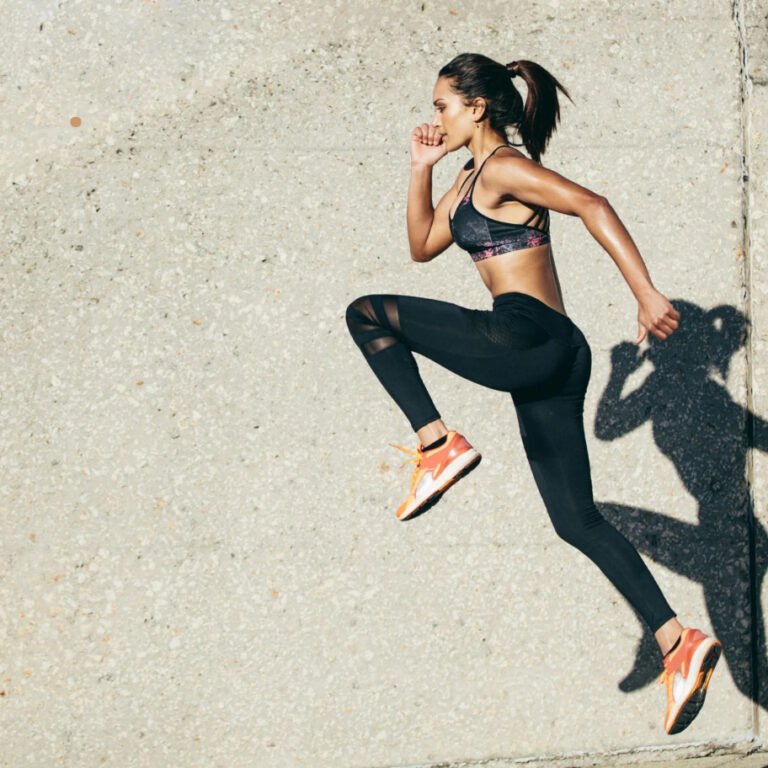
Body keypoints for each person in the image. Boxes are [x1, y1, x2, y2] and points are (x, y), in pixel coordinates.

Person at [345, 52, 721, 735]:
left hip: (531, 335)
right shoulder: (465, 181)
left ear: (477, 107)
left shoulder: (507, 168)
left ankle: (437, 443)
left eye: (443, 107)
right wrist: (420, 169)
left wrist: (644, 292)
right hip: (550, 357)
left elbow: (591, 204)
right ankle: (677, 641)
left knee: (367, 314)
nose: (435, 118)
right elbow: (422, 246)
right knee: (575, 520)